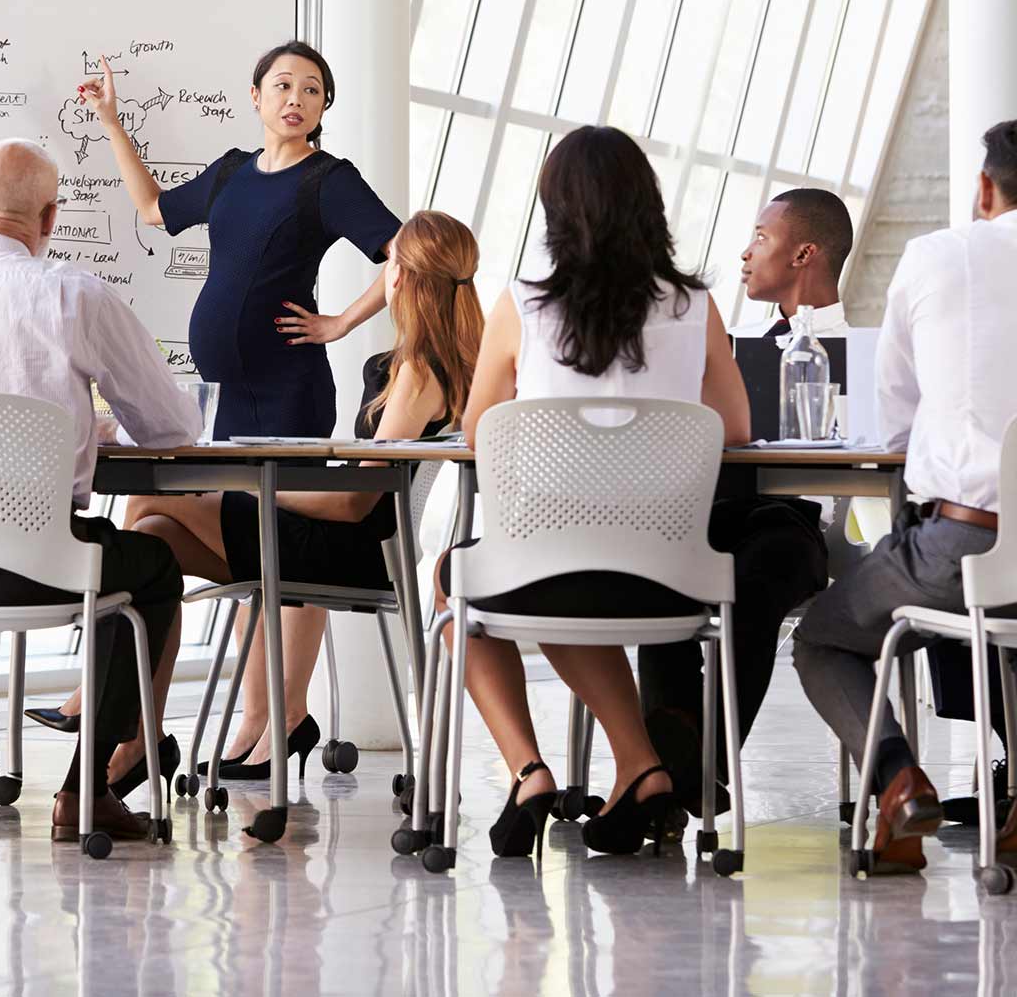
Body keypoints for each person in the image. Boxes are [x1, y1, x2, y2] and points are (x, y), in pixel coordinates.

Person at [31, 41, 402, 783]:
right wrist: (109, 121)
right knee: (229, 544)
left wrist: (341, 324)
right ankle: (188, 711)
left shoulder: (328, 181)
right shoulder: (233, 172)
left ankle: (281, 714)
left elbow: (406, 252)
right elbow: (153, 209)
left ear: (324, 108)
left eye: (313, 89)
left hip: (291, 390)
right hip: (232, 399)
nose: (296, 98)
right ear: (257, 96)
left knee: (281, 552)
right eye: (282, 85)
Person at [0, 138, 201, 841]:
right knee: (153, 570)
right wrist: (90, 426)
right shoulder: (73, 293)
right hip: (44, 570)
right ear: (50, 218)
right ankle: (85, 791)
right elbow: (172, 426)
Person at [436, 126, 751, 860]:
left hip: (548, 563)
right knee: (554, 572)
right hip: (673, 575)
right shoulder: (695, 306)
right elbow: (734, 425)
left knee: (462, 583)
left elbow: (480, 429)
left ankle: (530, 769)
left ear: (556, 210)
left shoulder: (522, 306)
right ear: (649, 204)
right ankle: (639, 769)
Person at [119, 211, 484, 783]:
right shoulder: (445, 363)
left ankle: (126, 727)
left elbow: (354, 503)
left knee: (146, 504)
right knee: (150, 541)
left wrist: (261, 491)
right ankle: (140, 733)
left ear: (403, 279)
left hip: (351, 551)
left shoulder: (417, 370)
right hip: (348, 545)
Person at [793, 119, 1017, 873]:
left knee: (823, 635)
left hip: (968, 547)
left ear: (986, 187)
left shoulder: (938, 256)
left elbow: (888, 427)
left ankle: (897, 781)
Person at [637, 188, 853, 816]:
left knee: (758, 576)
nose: (745, 252)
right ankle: (678, 768)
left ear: (804, 252)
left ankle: (697, 763)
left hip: (796, 532)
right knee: (662, 569)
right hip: (713, 520)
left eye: (761, 237)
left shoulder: (858, 354)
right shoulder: (723, 348)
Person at [735, 187, 853, 337]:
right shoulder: (729, 344)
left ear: (803, 255)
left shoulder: (862, 356)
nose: (745, 254)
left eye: (761, 238)